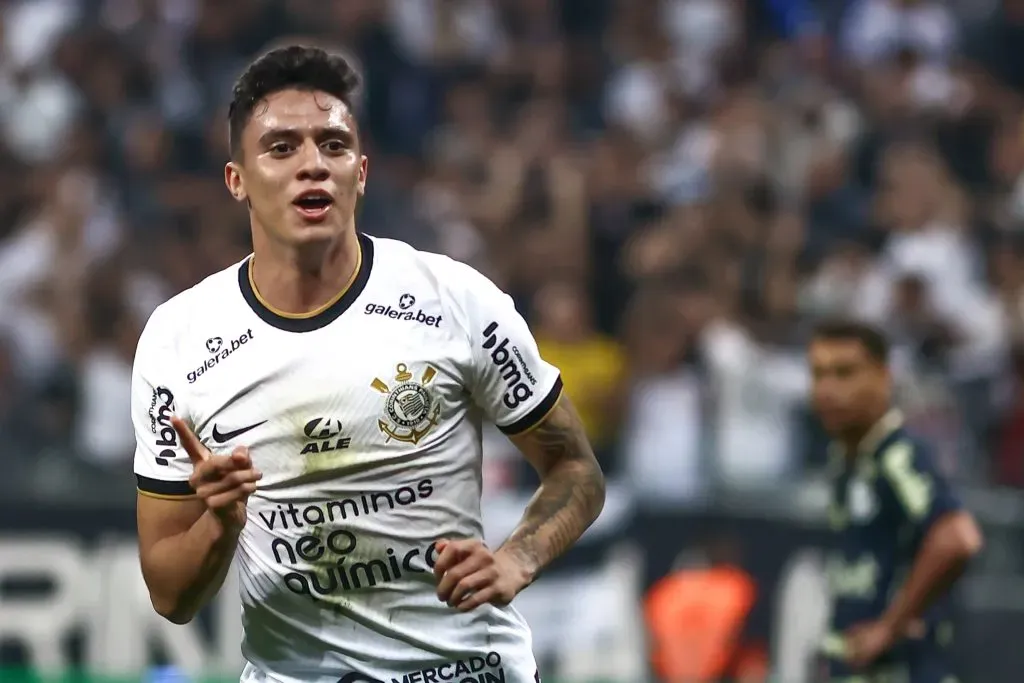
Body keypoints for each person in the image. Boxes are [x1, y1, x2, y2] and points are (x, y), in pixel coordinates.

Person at [131, 45, 605, 683]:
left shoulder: (456, 302)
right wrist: (219, 524)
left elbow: (576, 469)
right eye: (281, 148)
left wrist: (519, 557)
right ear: (235, 179)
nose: (312, 166)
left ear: (361, 171)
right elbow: (170, 595)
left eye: (333, 145)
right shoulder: (177, 341)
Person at [807, 320, 983, 683]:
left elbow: (958, 538)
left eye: (845, 373)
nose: (827, 390)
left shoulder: (897, 455)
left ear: (883, 377)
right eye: (819, 374)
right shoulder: (847, 461)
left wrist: (888, 628)